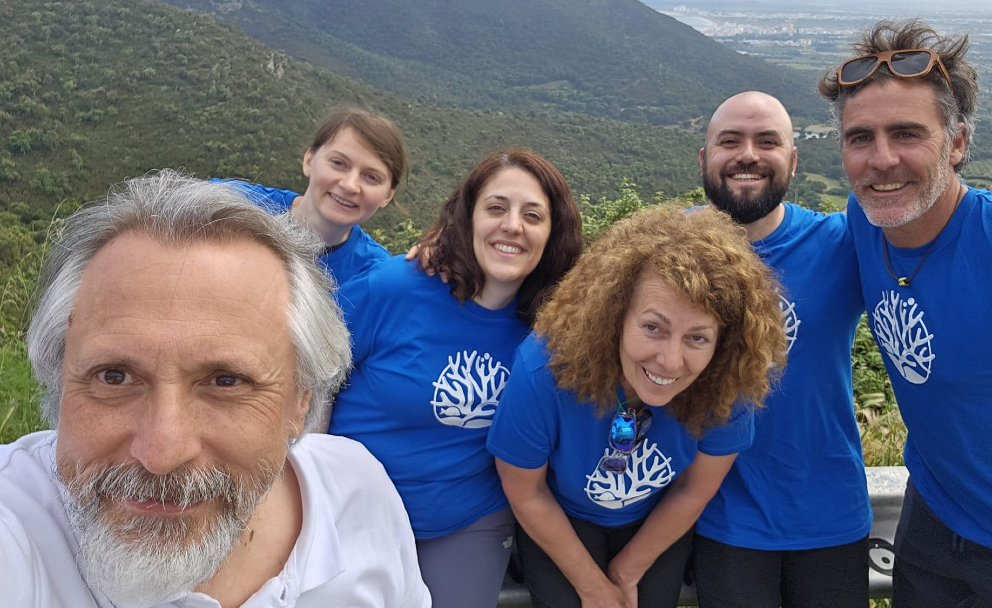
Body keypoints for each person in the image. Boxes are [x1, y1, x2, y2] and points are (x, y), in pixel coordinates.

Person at [691, 91, 992, 608]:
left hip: (832, 517)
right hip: (718, 516)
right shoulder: (669, 254)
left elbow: (936, 221)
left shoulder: (844, 240)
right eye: (730, 141)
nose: (748, 155)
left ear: (794, 161)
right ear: (704, 158)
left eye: (768, 141)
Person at [0, 171, 430, 607]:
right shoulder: (14, 529)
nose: (162, 454)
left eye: (227, 381)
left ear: (301, 400)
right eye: (114, 377)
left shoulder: (360, 492)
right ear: (59, 379)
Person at [818, 18, 992, 607]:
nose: (882, 159)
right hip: (934, 522)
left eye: (907, 133)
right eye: (860, 138)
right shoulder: (865, 221)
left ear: (957, 143)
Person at [487, 205, 789, 608]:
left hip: (656, 516)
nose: (670, 362)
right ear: (615, 316)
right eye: (652, 327)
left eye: (697, 338)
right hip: (560, 515)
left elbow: (693, 489)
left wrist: (625, 572)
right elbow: (527, 492)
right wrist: (593, 588)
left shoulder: (726, 380)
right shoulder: (544, 370)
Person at [328, 148, 583, 608]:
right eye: (496, 208)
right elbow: (301, 369)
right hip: (350, 509)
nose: (513, 226)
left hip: (468, 520)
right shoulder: (395, 287)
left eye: (533, 215)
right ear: (468, 218)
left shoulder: (553, 324)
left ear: (552, 234)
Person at [215, 106, 408, 282]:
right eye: (338, 163)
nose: (350, 185)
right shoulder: (232, 205)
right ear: (309, 160)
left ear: (388, 196)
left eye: (371, 177)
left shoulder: (375, 277)